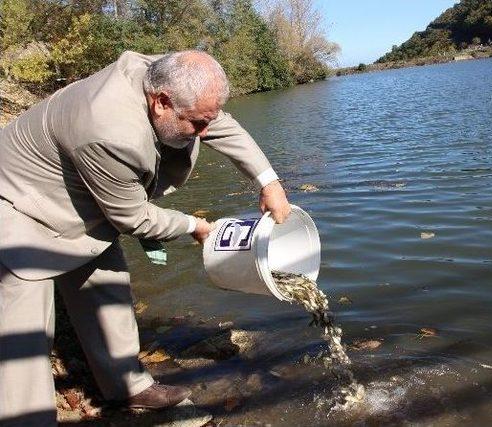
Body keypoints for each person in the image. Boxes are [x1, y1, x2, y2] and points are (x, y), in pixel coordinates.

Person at [0, 50, 291, 426]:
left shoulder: (160, 74)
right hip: (19, 205)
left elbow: (219, 123)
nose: (205, 133)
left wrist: (268, 181)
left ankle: (128, 387)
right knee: (24, 336)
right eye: (196, 125)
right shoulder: (107, 130)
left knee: (107, 289)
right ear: (161, 103)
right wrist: (195, 226)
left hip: (79, 197)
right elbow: (131, 216)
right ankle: (26, 418)